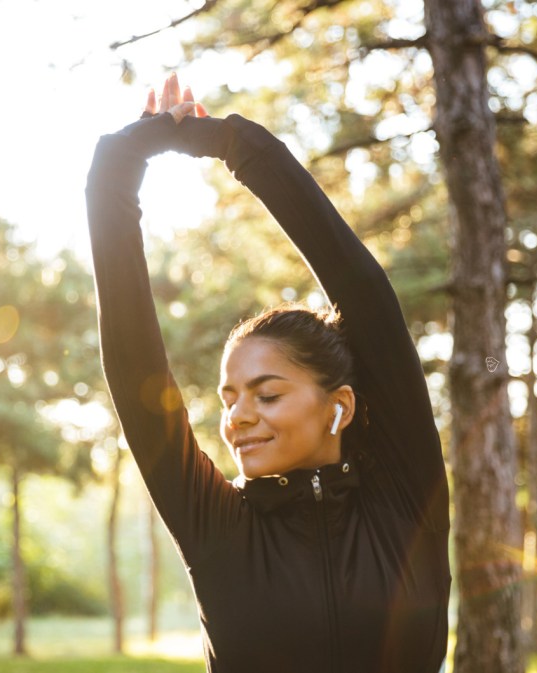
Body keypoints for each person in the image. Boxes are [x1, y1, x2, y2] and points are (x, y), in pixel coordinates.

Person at [85, 73, 451, 673]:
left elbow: (366, 298)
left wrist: (236, 145)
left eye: (267, 393)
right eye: (229, 399)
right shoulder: (217, 526)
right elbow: (132, 359)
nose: (238, 419)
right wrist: (117, 168)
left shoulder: (405, 501)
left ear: (341, 406)